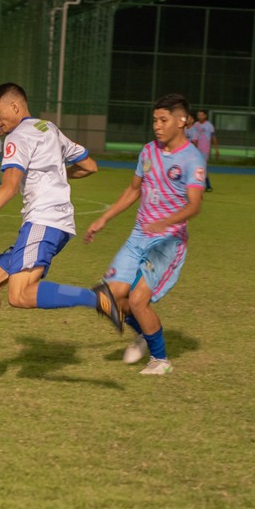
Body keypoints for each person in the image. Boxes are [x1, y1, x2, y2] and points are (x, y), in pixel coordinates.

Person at [0, 82, 123, 376]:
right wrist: (53, 173)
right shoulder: (48, 128)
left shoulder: (16, 138)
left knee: (19, 295)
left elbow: (8, 188)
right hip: (55, 222)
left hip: (44, 221)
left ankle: (97, 298)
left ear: (14, 106)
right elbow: (90, 165)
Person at [83, 93, 206, 375]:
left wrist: (165, 223)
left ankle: (160, 361)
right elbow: (133, 190)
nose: (157, 126)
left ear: (182, 121)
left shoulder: (192, 159)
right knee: (108, 298)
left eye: (163, 120)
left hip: (167, 241)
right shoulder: (148, 151)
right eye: (154, 120)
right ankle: (143, 333)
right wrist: (103, 219)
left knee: (138, 300)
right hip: (139, 235)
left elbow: (195, 204)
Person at [191, 108, 219, 191]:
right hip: (196, 149)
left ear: (205, 116)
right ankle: (198, 184)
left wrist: (216, 149)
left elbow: (214, 137)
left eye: (201, 115)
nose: (200, 116)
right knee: (195, 166)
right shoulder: (195, 125)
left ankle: (207, 185)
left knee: (202, 166)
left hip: (205, 149)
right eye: (198, 115)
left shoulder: (209, 125)